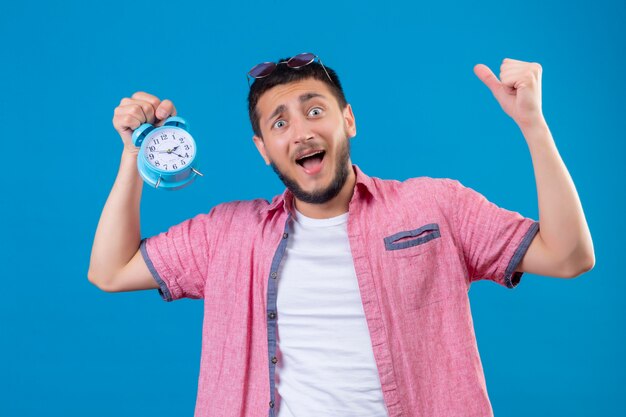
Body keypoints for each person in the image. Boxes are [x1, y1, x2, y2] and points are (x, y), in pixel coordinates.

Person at [88, 53, 595, 417]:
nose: (302, 131)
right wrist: (136, 154)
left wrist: (533, 125)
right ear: (263, 149)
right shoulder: (227, 232)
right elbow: (110, 271)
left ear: (347, 120)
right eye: (280, 122)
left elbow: (569, 257)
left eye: (315, 111)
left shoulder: (434, 205)